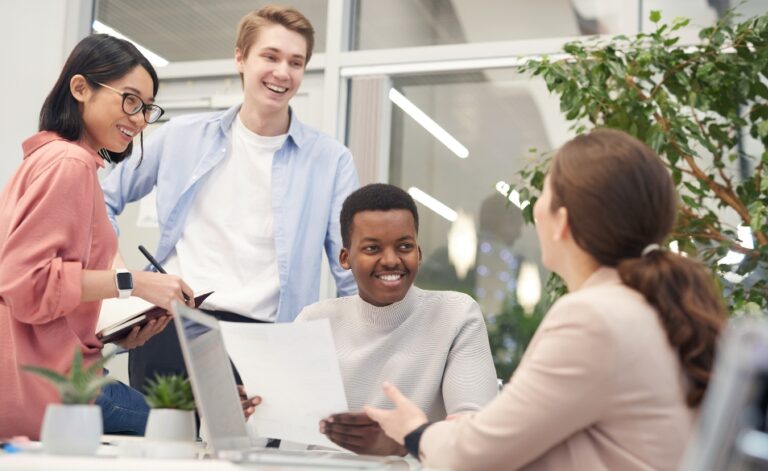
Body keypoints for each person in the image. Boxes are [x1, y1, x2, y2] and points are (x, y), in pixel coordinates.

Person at [363, 129, 727, 470]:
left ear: (562, 221)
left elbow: (477, 457)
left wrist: (415, 430)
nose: (534, 211)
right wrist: (478, 429)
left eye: (544, 195)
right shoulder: (649, 305)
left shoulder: (592, 318)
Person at [102, 5, 359, 391]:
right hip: (172, 330)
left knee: (254, 453)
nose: (282, 72)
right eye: (270, 56)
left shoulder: (331, 160)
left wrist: (362, 352)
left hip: (268, 340)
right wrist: (125, 278)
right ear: (240, 57)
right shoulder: (181, 136)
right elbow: (99, 202)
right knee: (162, 451)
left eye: (296, 62)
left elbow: (349, 270)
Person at [0, 34, 194, 439]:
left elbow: (53, 286)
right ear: (80, 88)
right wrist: (136, 283)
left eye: (146, 108)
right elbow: (25, 282)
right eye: (129, 100)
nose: (139, 119)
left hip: (50, 373)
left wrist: (116, 330)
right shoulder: (68, 163)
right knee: (179, 433)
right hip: (53, 388)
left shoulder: (49, 158)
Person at [286, 183, 498, 456]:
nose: (390, 260)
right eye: (372, 248)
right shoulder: (313, 321)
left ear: (419, 254)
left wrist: (403, 443)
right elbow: (289, 438)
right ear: (345, 257)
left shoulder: (456, 315)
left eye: (404, 246)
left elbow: (474, 435)